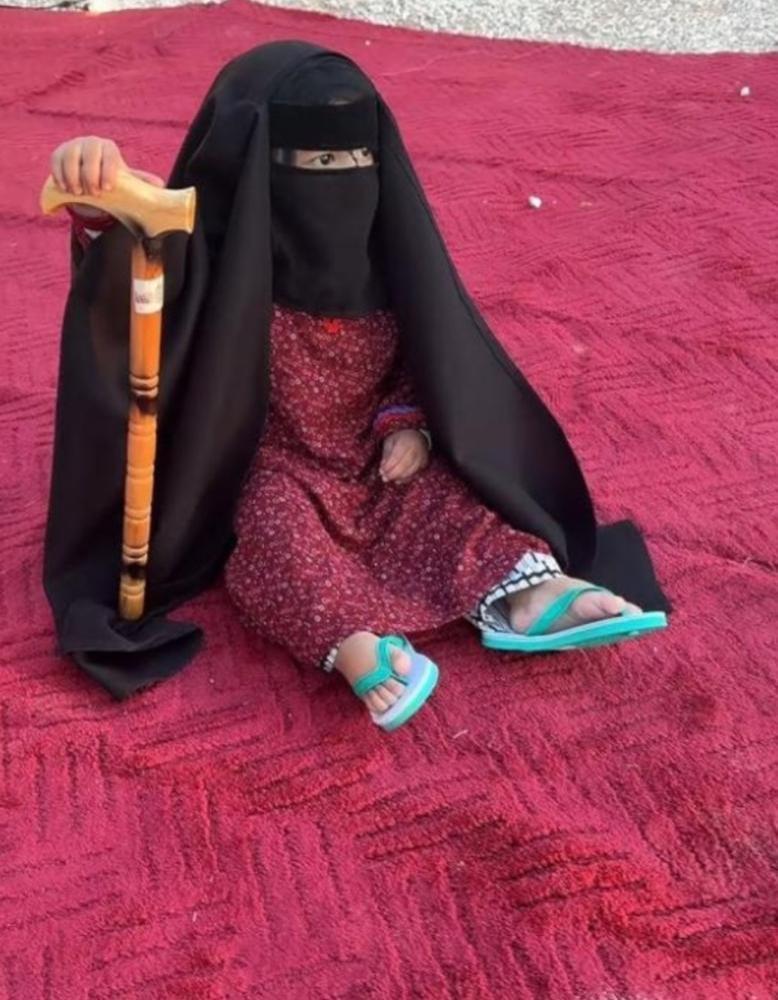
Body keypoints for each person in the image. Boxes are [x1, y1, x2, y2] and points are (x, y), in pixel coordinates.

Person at [43, 41, 670, 725]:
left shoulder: (388, 253)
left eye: (356, 161)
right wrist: (102, 200)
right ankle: (351, 643)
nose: (340, 186)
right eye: (317, 165)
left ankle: (527, 592)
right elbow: (144, 283)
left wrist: (410, 424)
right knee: (273, 540)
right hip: (273, 471)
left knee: (454, 503)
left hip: (378, 462)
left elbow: (432, 360)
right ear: (256, 166)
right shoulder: (217, 259)